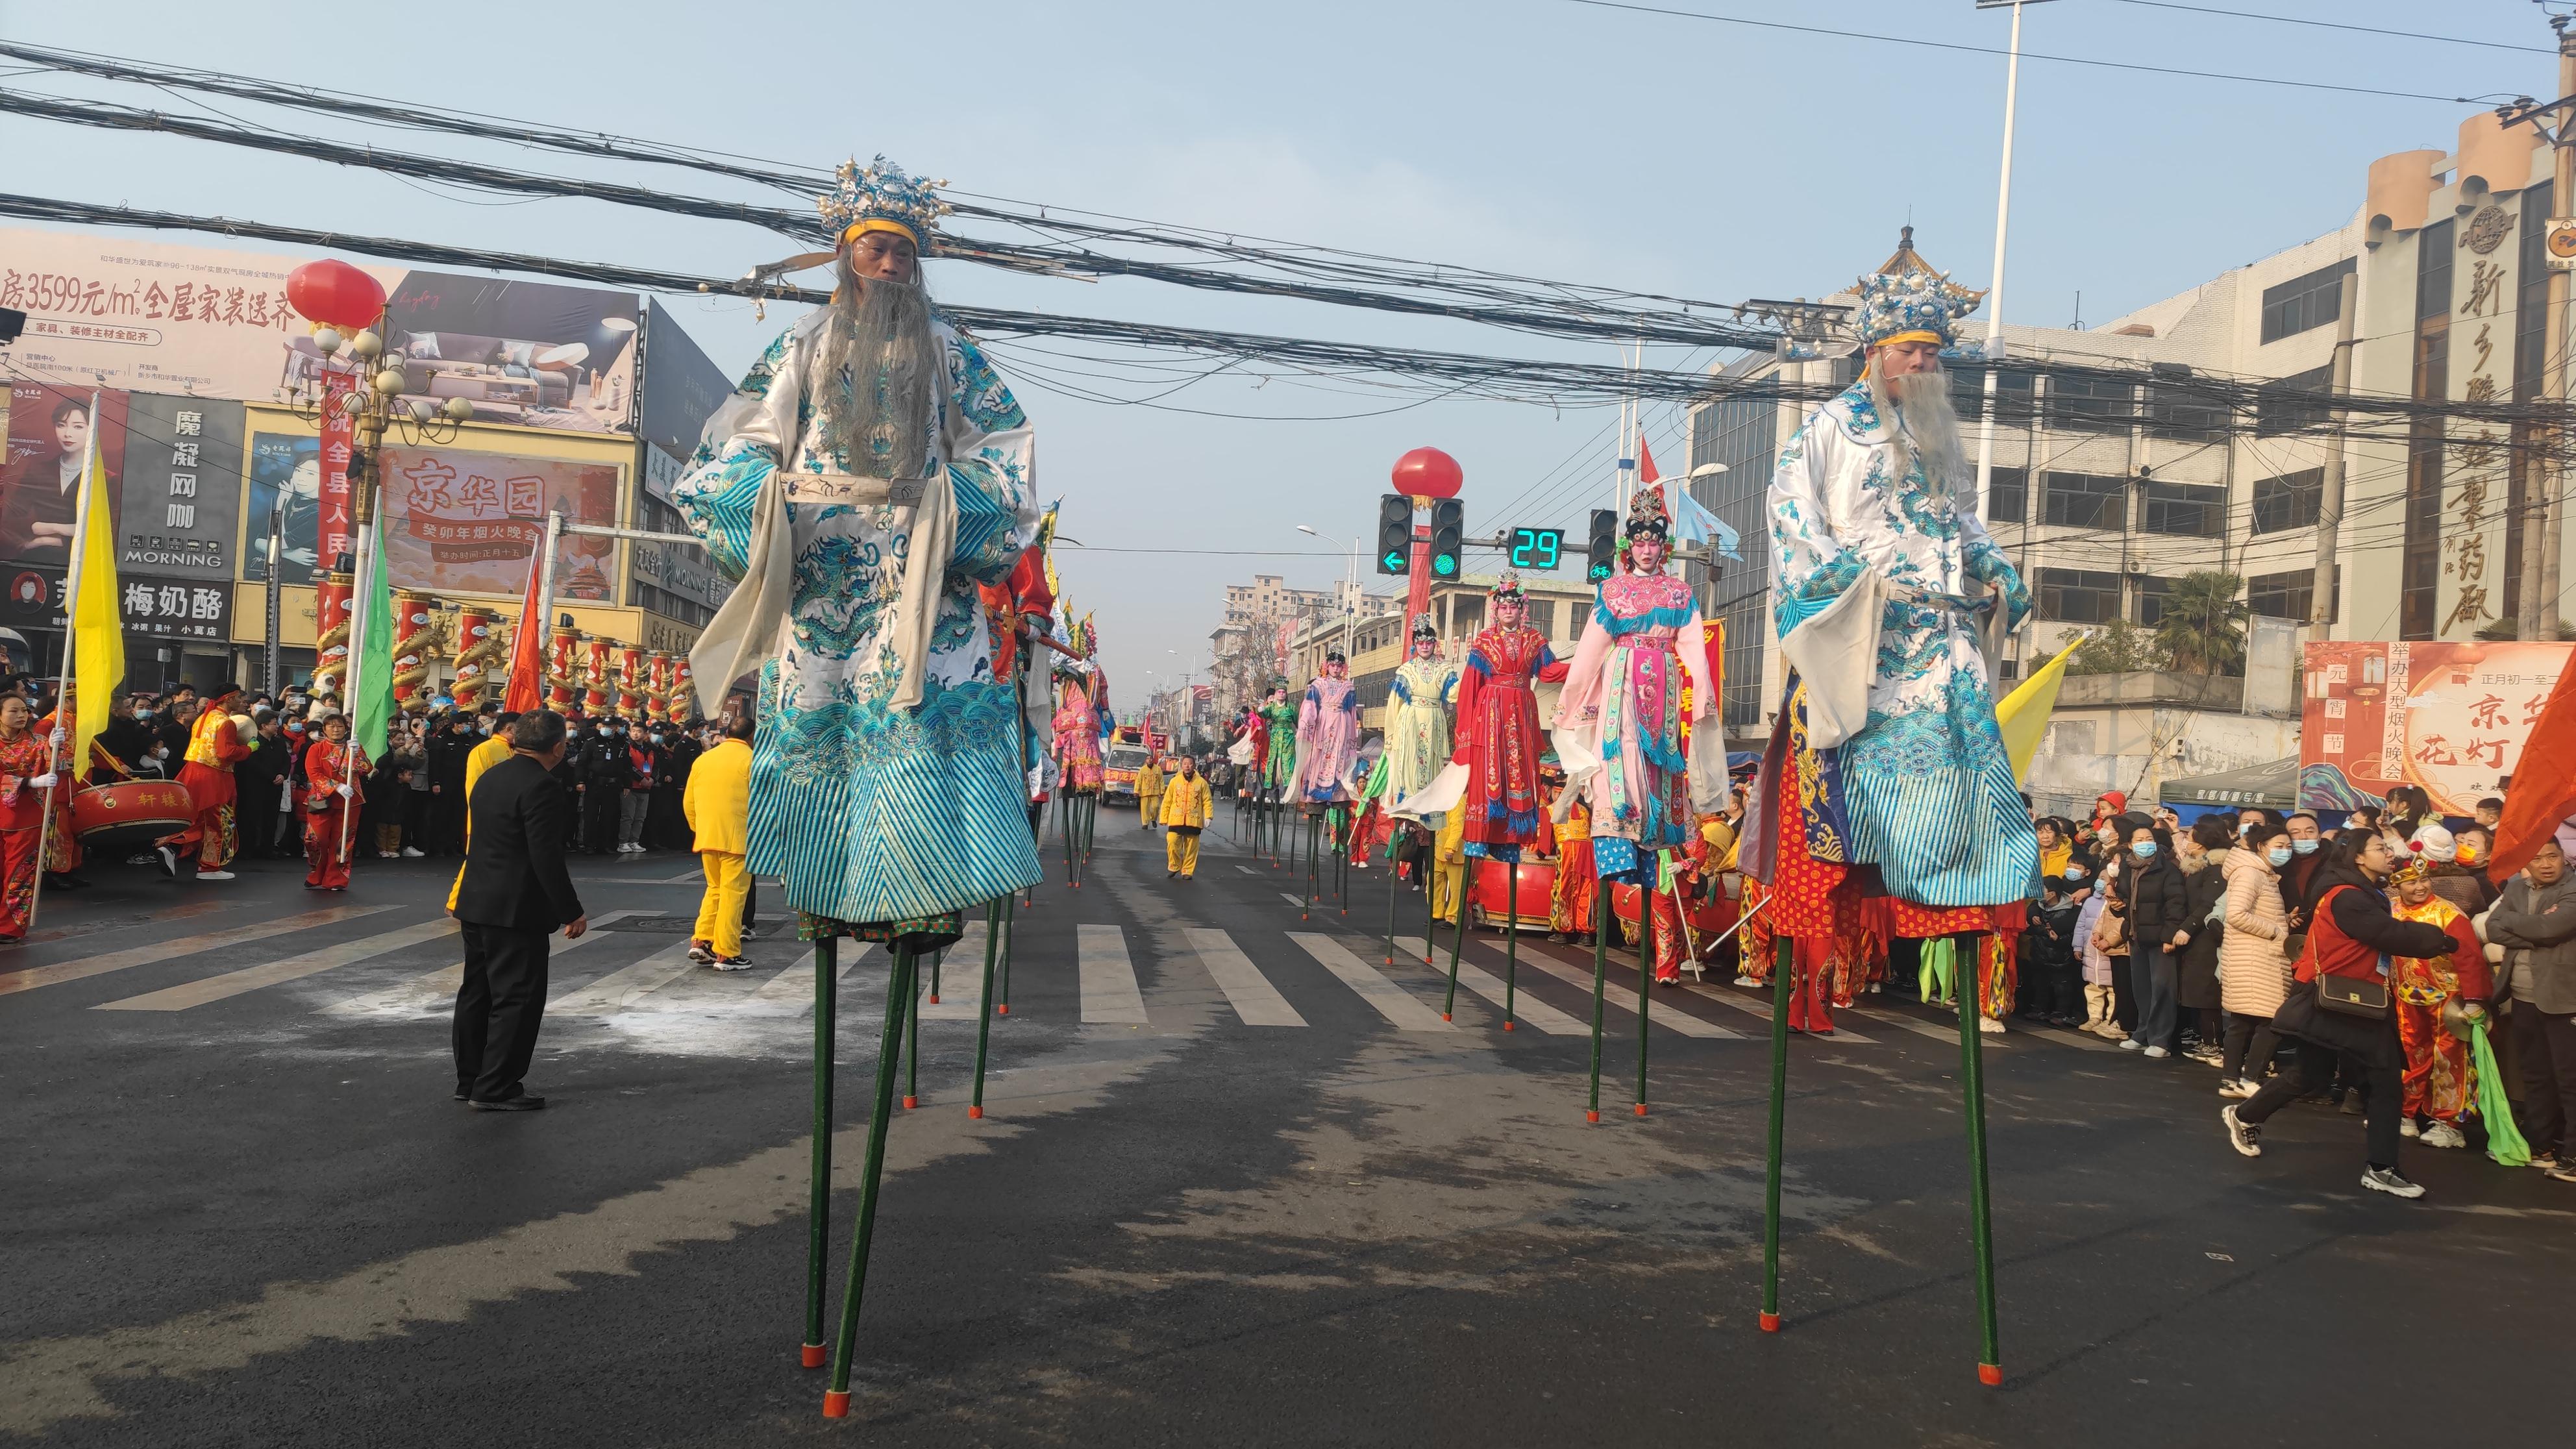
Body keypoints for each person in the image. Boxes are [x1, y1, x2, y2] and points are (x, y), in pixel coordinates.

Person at [671, 156, 1044, 941]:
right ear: (845, 256)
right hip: (819, 572)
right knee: (823, 715)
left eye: (902, 253)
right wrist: (759, 493)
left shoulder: (951, 349)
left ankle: (918, 896)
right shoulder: (805, 342)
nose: (888, 265)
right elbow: (744, 440)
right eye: (874, 249)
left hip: (923, 571)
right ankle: (825, 891)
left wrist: (958, 503)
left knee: (919, 721)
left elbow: (1004, 451)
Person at [1740, 244, 2037, 1034]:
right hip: (1868, 628)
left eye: (1933, 353)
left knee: (1971, 761)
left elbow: (1957, 518)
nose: (1922, 363)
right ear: (1871, 351)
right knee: (1866, 766)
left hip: (1943, 628)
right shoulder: (1826, 430)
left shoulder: (1936, 434)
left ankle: (1964, 879)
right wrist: (1849, 589)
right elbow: (1792, 524)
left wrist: (1995, 565)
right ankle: (1871, 882)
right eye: (1909, 348)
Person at [2222, 832, 2468, 1198]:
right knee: (2384, 1081)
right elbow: (2391, 934)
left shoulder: (2360, 893)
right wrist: (2442, 938)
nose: (2389, 854)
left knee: (2312, 1072)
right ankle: (2382, 1168)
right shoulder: (2349, 897)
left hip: (2348, 999)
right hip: (2342, 1000)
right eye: (2381, 849)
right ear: (2357, 857)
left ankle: (2245, 1116)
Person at [450, 710, 588, 1111]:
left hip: (476, 900)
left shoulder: (491, 776)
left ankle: (470, 1078)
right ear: (558, 747)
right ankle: (496, 1086)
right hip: (515, 908)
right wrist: (571, 910)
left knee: (477, 993)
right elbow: (544, 855)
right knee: (517, 998)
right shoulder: (542, 786)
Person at [2483, 839, 2576, 1180]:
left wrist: (2521, 926)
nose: (2547, 863)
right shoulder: (2515, 887)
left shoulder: (2573, 887)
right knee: (2535, 1076)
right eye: (2537, 858)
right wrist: (2536, 933)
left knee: (2571, 1080)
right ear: (2527, 863)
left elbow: (2553, 928)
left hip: (2565, 998)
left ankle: (2574, 1155)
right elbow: (2493, 928)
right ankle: (2542, 1148)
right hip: (2522, 995)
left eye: (2553, 856)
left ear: (2563, 858)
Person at [2389, 846, 2490, 1150]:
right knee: (2408, 1055)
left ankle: (2449, 1123)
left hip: (2448, 1000)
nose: (2420, 887)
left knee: (2450, 1059)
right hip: (2404, 998)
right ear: (2397, 885)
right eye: (2411, 882)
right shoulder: (2390, 910)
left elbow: (2470, 957)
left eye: (2424, 880)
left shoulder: (2448, 914)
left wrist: (2474, 998)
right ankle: (2406, 1113)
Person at [2217, 822, 2296, 1098]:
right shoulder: (2251, 873)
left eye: (2288, 846)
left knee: (2243, 1022)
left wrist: (2282, 921)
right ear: (2261, 847)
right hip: (2256, 958)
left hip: (2251, 955)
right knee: (2271, 1022)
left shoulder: (2261, 873)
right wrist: (2276, 930)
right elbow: (2236, 915)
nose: (2285, 851)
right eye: (2279, 846)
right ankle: (2250, 1078)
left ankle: (2231, 1079)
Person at [685, 712, 755, 968]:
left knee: (714, 889)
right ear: (751, 736)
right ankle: (727, 951)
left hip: (708, 836)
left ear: (727, 734)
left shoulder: (704, 760)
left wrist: (699, 828)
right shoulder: (752, 760)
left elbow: (689, 803)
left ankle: (702, 940)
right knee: (733, 895)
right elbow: (763, 804)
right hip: (738, 837)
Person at [161, 684, 251, 882]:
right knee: (218, 821)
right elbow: (226, 753)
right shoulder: (226, 722)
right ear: (228, 699)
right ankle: (209, 867)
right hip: (215, 776)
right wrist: (249, 749)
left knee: (196, 817)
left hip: (195, 770)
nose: (241, 701)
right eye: (238, 697)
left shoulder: (204, 717)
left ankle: (170, 845)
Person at [2117, 820, 2188, 1058]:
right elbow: (2125, 899)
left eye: (2149, 840)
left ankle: (2161, 1040)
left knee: (2163, 990)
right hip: (2137, 936)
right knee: (2142, 989)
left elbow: (2176, 905)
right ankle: (2142, 1033)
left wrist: (2169, 935)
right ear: (2129, 844)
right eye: (2140, 840)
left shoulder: (2168, 870)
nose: (2145, 844)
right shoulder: (2128, 868)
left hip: (2160, 938)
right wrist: (2118, 906)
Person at [0, 694, 60, 943]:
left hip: (26, 818)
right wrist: (29, 781)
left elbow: (56, 767)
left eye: (24, 710)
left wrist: (58, 748)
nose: (21, 715)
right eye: (13, 711)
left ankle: (8, 927)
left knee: (19, 874)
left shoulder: (38, 741)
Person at [2174, 817, 2234, 1063]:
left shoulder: (2217, 868)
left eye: (2190, 838)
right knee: (2197, 990)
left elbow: (2208, 904)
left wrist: (2187, 928)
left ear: (2202, 842)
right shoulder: (2199, 865)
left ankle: (2213, 1043)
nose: (2187, 842)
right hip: (2197, 936)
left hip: (2207, 936)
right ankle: (2205, 1039)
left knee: (2207, 992)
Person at [299, 708, 365, 891]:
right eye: (332, 726)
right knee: (315, 839)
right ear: (325, 730)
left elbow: (367, 768)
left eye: (340, 726)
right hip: (321, 800)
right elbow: (313, 772)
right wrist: (336, 786)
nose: (336, 729)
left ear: (346, 729)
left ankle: (336, 879)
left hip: (350, 802)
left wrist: (357, 753)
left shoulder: (353, 747)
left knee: (342, 841)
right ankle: (316, 874)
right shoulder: (316, 748)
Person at [1291, 651, 1361, 809]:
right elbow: (1310, 707)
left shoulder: (1348, 686)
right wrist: (1305, 724)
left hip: (1341, 723)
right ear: (1327, 666)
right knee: (1319, 755)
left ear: (1343, 667)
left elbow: (1352, 711)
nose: (1336, 669)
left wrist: (1352, 735)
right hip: (1323, 723)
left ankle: (1338, 793)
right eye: (1333, 665)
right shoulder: (1318, 684)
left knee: (1339, 756)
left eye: (1339, 666)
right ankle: (1317, 793)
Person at [238, 711, 292, 858]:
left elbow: (286, 760)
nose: (277, 727)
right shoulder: (253, 741)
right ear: (264, 726)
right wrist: (271, 776)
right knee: (252, 818)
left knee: (271, 818)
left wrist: (282, 774)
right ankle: (248, 849)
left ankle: (267, 848)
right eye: (274, 724)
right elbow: (253, 763)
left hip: (275, 786)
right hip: (256, 786)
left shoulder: (279, 742)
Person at [1160, 754, 1211, 879]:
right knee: (1172, 843)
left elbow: (1207, 800)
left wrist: (1208, 816)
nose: (1187, 766)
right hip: (1176, 819)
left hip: (1194, 820)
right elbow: (1167, 800)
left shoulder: (1202, 783)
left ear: (1194, 766)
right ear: (1181, 765)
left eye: (1190, 764)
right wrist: (1163, 817)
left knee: (1191, 848)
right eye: (1185, 764)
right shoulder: (1174, 781)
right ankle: (1174, 866)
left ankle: (1187, 871)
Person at [617, 723, 659, 854]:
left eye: (639, 731)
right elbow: (627, 767)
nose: (635, 733)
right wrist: (641, 779)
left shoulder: (650, 749)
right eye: (633, 731)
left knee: (640, 817)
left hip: (646, 788)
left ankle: (634, 841)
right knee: (628, 816)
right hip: (631, 787)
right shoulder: (627, 747)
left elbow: (656, 766)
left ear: (645, 733)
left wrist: (652, 778)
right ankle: (623, 842)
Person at [1135, 744, 1165, 832]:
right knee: (1144, 809)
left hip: (1155, 792)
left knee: (1156, 807)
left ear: (1153, 760)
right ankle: (1145, 823)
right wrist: (1136, 791)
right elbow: (1138, 781)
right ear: (1146, 761)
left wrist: (1162, 791)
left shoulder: (1158, 769)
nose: (1150, 760)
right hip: (1144, 792)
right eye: (1148, 759)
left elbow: (1161, 781)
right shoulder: (1142, 770)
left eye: (1151, 758)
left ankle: (1153, 819)